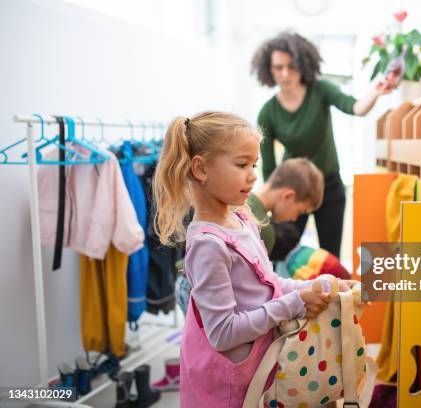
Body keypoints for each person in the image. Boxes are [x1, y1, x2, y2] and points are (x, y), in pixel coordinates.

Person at [153, 112, 333, 407]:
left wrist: (310, 287)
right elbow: (223, 333)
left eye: (254, 165)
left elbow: (268, 283)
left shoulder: (242, 218)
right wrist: (294, 304)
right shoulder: (207, 245)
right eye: (241, 165)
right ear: (200, 168)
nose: (252, 175)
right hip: (226, 390)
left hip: (255, 374)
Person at [252, 31, 395, 257]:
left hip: (329, 186)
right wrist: (267, 209)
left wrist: (376, 91)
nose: (285, 73)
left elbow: (355, 107)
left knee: (331, 253)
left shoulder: (321, 91)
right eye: (278, 67)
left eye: (291, 66)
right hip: (292, 190)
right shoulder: (268, 112)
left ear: (303, 64)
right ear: (268, 70)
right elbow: (269, 169)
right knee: (282, 252)